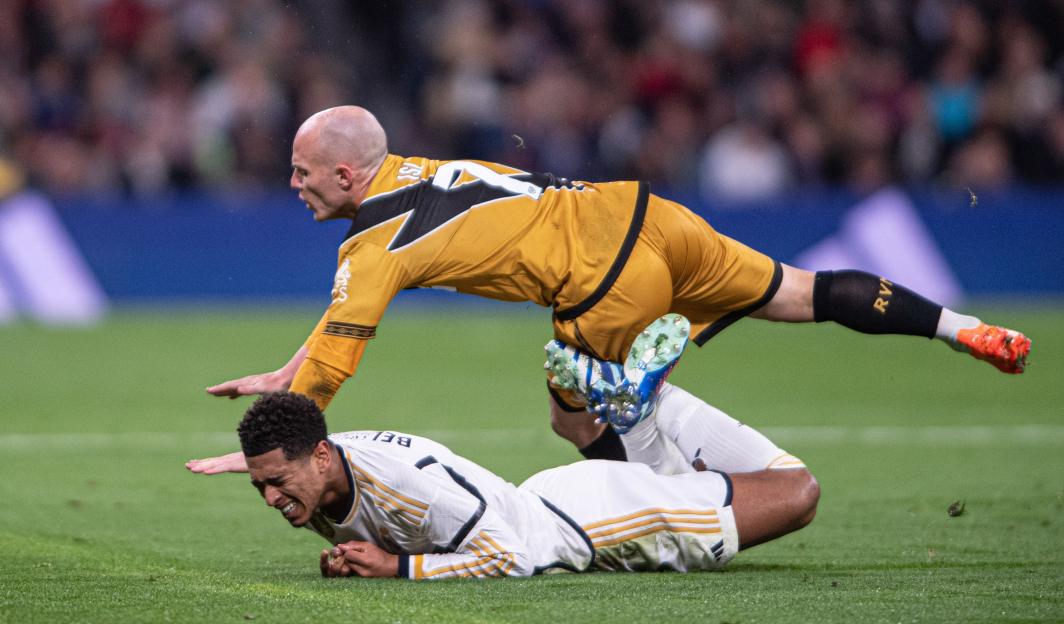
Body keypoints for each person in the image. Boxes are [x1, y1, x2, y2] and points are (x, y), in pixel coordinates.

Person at [187, 105, 1030, 474]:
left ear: (344, 173)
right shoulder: (421, 167)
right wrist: (286, 363)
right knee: (801, 292)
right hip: (648, 216)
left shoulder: (373, 244)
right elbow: (335, 323)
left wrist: (274, 437)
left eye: (301, 174)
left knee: (572, 414)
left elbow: (337, 365)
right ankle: (966, 331)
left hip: (600, 288)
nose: (291, 184)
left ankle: (676, 501)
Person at [229, 391, 819, 579]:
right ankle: (629, 429)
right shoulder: (323, 474)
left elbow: (508, 554)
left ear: (324, 456)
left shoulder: (406, 486)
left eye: (277, 482)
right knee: (685, 482)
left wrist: (398, 568)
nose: (271, 498)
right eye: (260, 486)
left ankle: (653, 403)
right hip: (552, 498)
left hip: (600, 528)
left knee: (796, 492)